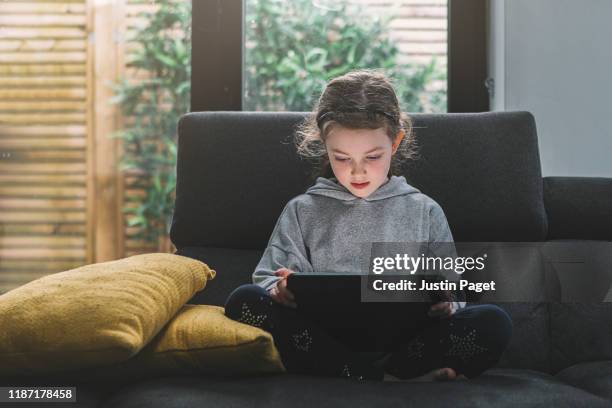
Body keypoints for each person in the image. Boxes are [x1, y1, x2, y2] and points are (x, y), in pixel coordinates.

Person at [225, 69, 512, 382]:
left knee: (492, 321)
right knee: (244, 301)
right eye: (342, 158)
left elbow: (452, 291)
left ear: (396, 141)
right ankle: (382, 379)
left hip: (407, 344)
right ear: (325, 145)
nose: (357, 172)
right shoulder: (303, 210)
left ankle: (374, 375)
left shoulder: (424, 211)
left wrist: (446, 303)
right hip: (323, 342)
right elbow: (267, 278)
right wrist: (278, 289)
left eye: (372, 157)